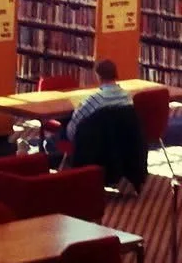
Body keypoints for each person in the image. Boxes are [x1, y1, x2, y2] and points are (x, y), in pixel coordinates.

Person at [63, 60, 148, 190]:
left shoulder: (95, 100)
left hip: (95, 149)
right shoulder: (127, 98)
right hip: (122, 147)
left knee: (58, 136)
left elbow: (73, 129)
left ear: (98, 76)